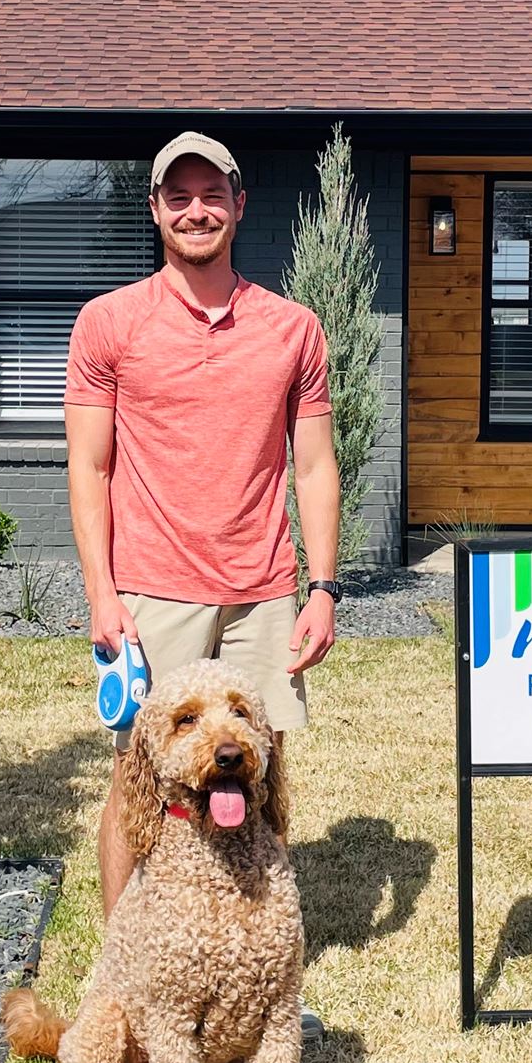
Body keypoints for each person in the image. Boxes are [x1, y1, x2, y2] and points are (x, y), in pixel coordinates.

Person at [66, 131, 342, 919]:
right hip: (152, 591)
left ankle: (261, 964)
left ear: (239, 204)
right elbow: (89, 468)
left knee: (261, 774)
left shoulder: (293, 329)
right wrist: (102, 594)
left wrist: (321, 589)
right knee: (138, 783)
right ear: (155, 210)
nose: (197, 211)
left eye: (212, 194)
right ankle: (122, 970)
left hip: (263, 594)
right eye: (178, 197)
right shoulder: (109, 323)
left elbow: (316, 466)